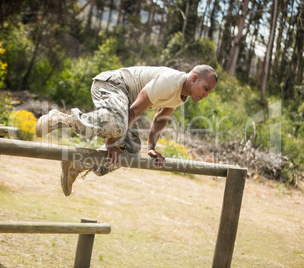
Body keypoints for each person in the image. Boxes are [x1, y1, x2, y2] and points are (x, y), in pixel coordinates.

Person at [36, 65, 218, 196]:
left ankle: (78, 163)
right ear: (194, 78)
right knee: (118, 125)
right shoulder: (170, 81)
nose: (206, 94)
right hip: (112, 85)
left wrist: (151, 147)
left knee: (130, 150)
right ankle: (62, 119)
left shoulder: (181, 96)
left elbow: (160, 119)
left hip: (124, 106)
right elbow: (134, 112)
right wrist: (111, 142)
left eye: (209, 93)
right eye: (206, 88)